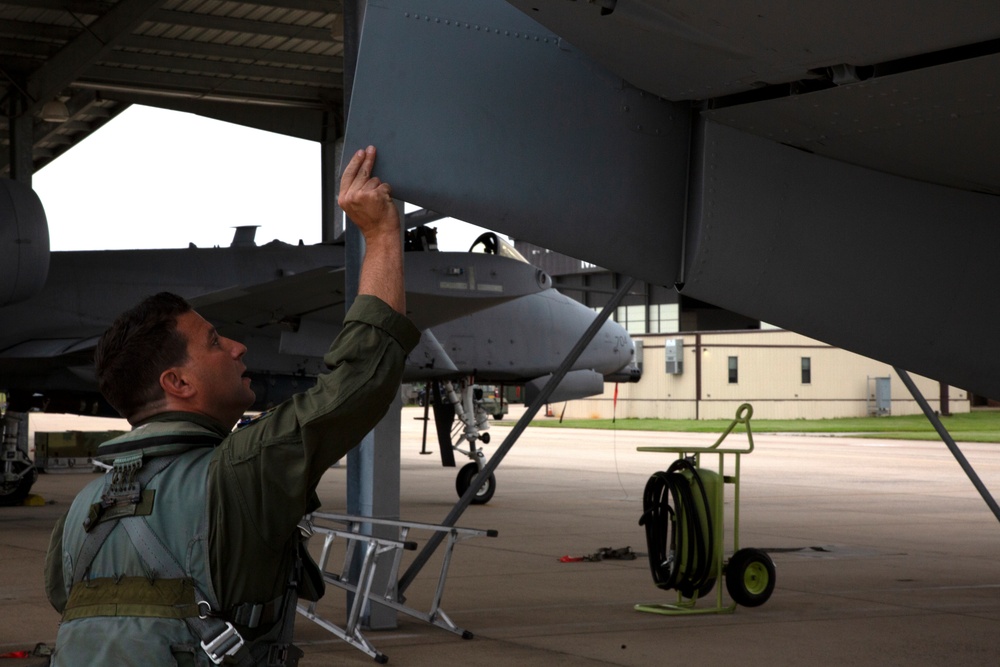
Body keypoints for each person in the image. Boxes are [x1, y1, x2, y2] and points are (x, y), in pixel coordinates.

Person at [43, 146, 420, 666]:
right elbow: (360, 378)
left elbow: (71, 605)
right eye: (216, 342)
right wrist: (379, 236)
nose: (239, 348)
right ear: (176, 381)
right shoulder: (241, 473)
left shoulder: (82, 512)